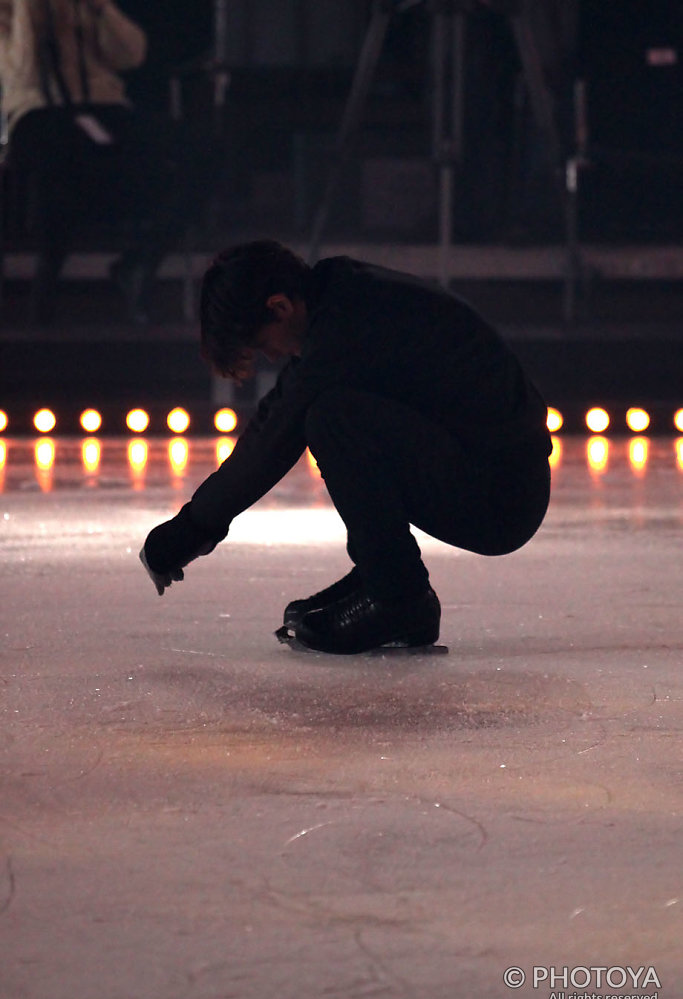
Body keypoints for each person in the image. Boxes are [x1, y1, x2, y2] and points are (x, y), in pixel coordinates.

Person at [140, 240, 552, 655]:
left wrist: (189, 531)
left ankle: (399, 599)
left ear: (280, 307)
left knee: (333, 419)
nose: (274, 356)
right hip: (496, 471)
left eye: (266, 345)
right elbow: (278, 412)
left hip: (500, 497)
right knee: (330, 413)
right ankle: (387, 577)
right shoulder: (344, 301)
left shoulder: (345, 326)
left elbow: (274, 440)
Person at [0, 0, 198, 323]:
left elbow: (133, 55)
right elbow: (22, 68)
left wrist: (100, 7)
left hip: (101, 105)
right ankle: (44, 290)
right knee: (59, 153)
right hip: (35, 109)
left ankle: (140, 260)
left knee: (201, 152)